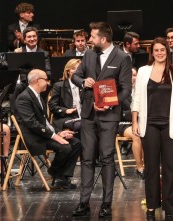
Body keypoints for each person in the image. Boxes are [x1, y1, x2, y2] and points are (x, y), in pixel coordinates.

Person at [71, 21, 132, 218]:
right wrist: (83, 81)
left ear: (103, 39)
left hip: (109, 115)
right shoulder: (88, 54)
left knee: (106, 157)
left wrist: (109, 104)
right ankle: (84, 202)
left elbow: (125, 89)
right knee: (87, 158)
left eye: (93, 36)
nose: (90, 39)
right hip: (89, 114)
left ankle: (107, 202)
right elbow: (75, 76)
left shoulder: (122, 57)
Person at [131, 37, 173, 220]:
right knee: (151, 168)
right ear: (152, 52)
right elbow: (137, 98)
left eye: (162, 50)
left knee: (171, 167)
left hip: (171, 124)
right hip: (149, 125)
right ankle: (151, 208)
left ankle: (169, 210)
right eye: (156, 50)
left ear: (167, 51)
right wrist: (134, 121)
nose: (160, 53)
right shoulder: (143, 71)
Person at [15, 69, 81, 189]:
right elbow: (32, 124)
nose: (48, 82)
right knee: (65, 147)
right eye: (46, 80)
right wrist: (54, 136)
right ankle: (55, 171)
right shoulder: (23, 98)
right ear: (37, 81)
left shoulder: (38, 96)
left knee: (76, 143)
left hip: (43, 134)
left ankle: (62, 176)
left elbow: (44, 122)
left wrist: (59, 132)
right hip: (34, 137)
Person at [10, 26, 51, 113]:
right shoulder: (19, 52)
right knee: (17, 87)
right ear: (24, 40)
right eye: (29, 37)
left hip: (38, 82)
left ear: (37, 38)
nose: (32, 39)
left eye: (34, 36)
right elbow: (14, 70)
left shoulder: (44, 53)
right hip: (23, 82)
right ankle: (14, 115)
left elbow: (48, 72)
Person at [118, 67, 144, 179]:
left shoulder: (143, 90)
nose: (132, 78)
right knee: (136, 134)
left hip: (141, 122)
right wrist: (135, 113)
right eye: (129, 75)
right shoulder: (120, 91)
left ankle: (150, 166)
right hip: (123, 123)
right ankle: (140, 168)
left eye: (134, 75)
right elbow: (118, 113)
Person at [48, 59, 82, 133]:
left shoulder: (84, 86)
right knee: (82, 125)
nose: (76, 71)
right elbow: (52, 106)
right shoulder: (59, 86)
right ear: (68, 71)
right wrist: (65, 110)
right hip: (66, 118)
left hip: (83, 117)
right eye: (73, 68)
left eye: (79, 69)